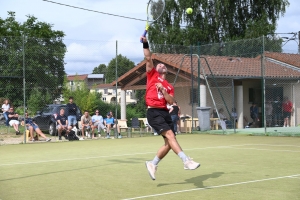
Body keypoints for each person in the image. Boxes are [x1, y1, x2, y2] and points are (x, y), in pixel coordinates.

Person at [141, 36, 200, 181]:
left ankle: (152, 163)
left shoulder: (169, 86)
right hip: (153, 111)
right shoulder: (152, 75)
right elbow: (148, 58)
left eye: (162, 65)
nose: (160, 65)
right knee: (171, 137)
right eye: (158, 64)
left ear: (165, 70)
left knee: (168, 143)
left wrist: (163, 91)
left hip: (164, 112)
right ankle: (186, 161)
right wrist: (145, 43)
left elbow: (171, 101)